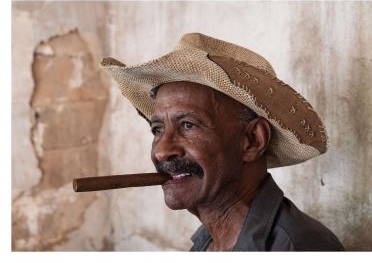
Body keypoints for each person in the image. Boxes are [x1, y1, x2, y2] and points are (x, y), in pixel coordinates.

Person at [101, 33, 345, 251]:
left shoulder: (301, 247)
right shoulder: (206, 244)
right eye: (157, 129)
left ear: (252, 140)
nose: (163, 151)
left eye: (188, 125)